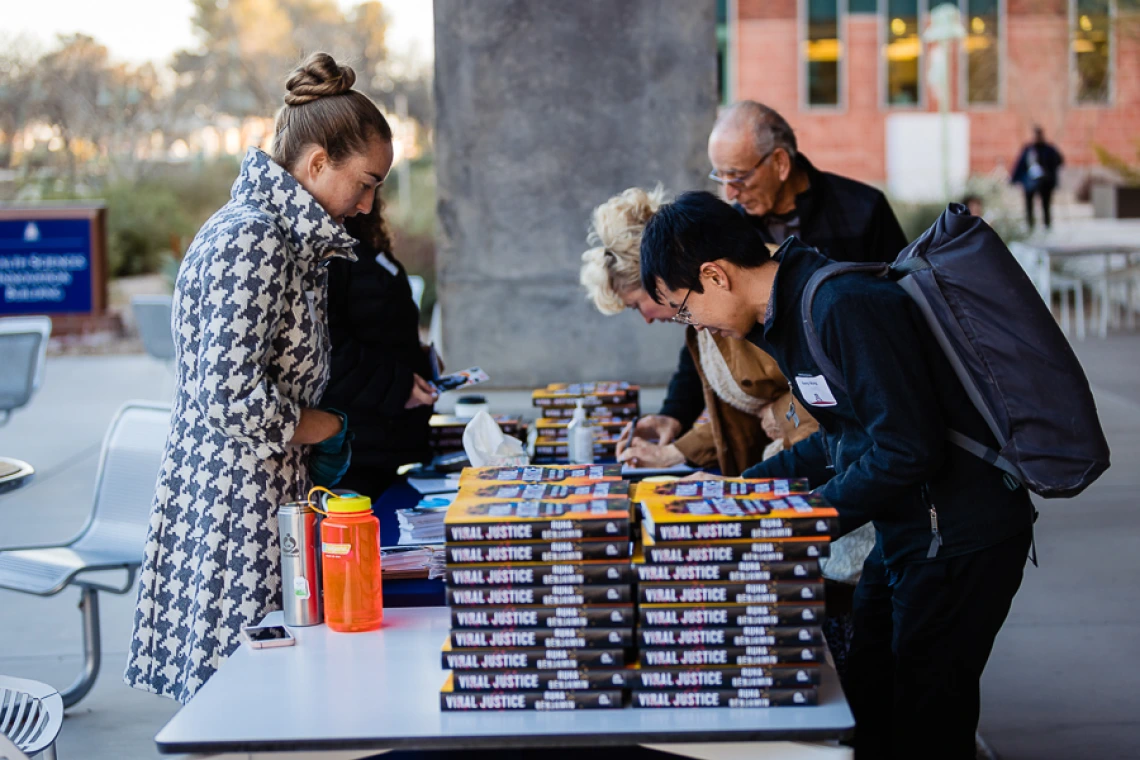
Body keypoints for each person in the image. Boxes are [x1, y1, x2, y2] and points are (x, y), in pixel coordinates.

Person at [639, 191, 1034, 760]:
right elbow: (842, 435)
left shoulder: (840, 305)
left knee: (929, 718)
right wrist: (745, 488)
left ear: (714, 276)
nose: (691, 323)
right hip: (910, 530)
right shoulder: (790, 315)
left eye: (682, 307)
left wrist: (803, 518)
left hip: (960, 536)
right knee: (868, 691)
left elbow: (906, 449)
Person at [125, 52, 394, 704]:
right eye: (364, 182)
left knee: (265, 700)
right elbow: (227, 394)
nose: (366, 204)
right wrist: (322, 424)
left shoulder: (286, 236)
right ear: (317, 163)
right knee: (241, 704)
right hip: (232, 507)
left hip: (261, 494)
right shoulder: (255, 238)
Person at [628, 101, 908, 461]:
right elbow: (703, 318)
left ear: (780, 163)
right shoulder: (730, 225)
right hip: (805, 417)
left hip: (866, 393)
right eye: (721, 178)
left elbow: (899, 305)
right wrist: (674, 413)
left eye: (738, 177)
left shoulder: (861, 212)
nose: (730, 193)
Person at [580, 185, 816, 475]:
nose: (647, 319)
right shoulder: (706, 313)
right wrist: (673, 416)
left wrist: (781, 415)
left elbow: (816, 388)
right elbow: (694, 369)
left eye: (636, 306)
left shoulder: (742, 304)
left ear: (656, 281)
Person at [321, 189, 437, 506]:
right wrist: (400, 386)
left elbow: (377, 327)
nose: (368, 201)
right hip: (358, 448)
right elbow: (333, 352)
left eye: (376, 187)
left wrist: (419, 353)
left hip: (385, 441)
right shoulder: (327, 254)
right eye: (364, 183)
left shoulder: (363, 246)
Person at [1011, 126, 1063, 230]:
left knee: (1046, 204)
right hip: (1030, 181)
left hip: (1045, 181)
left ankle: (1047, 225)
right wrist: (1015, 178)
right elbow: (1020, 164)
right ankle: (1030, 225)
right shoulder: (1029, 149)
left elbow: (1059, 161)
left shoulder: (1049, 149)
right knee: (1029, 204)